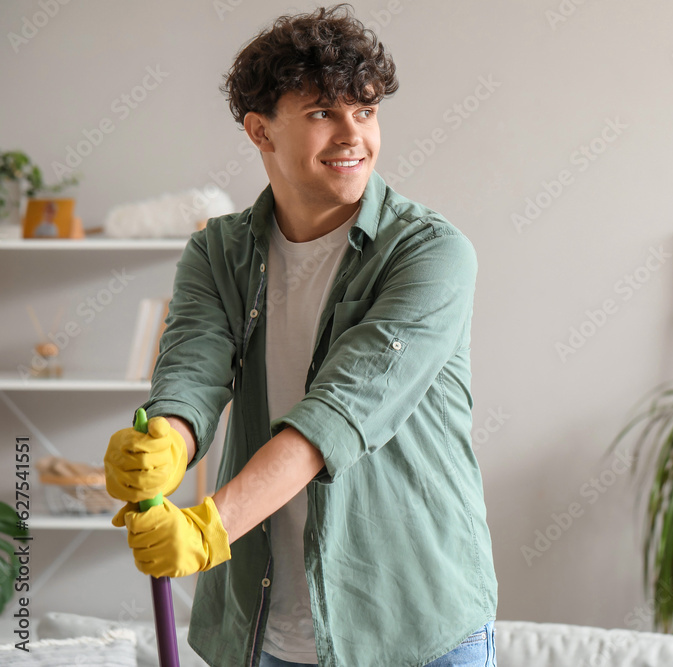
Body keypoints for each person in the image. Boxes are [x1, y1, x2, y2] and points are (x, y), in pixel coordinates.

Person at [102, 5, 499, 666]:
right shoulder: (218, 252)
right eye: (323, 113)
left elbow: (339, 413)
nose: (353, 135)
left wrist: (209, 527)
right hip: (264, 631)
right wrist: (165, 444)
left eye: (366, 112)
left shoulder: (431, 254)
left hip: (415, 626)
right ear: (260, 130)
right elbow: (192, 375)